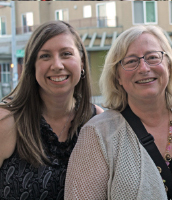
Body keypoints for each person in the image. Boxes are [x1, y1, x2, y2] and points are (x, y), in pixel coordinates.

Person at [65, 25, 172, 200]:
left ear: (169, 65)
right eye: (130, 61)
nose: (143, 68)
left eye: (153, 57)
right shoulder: (98, 135)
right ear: (117, 77)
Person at [0, 21, 103, 199]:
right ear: (32, 65)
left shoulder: (96, 121)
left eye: (66, 54)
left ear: (82, 62)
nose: (57, 65)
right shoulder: (8, 120)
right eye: (45, 56)